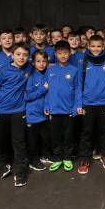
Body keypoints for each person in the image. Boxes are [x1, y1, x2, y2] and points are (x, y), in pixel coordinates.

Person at [0, 43, 33, 187]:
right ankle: (3, 166)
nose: (22, 57)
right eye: (18, 54)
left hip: (19, 111)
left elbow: (44, 65)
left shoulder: (28, 68)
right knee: (0, 142)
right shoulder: (3, 70)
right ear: (12, 55)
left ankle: (20, 173)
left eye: (25, 55)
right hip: (1, 111)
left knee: (19, 142)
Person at [77, 35, 105, 174]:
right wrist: (79, 103)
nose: (96, 49)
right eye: (93, 46)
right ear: (88, 46)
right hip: (87, 103)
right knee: (86, 132)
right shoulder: (83, 61)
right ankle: (84, 159)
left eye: (99, 46)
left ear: (103, 46)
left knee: (104, 130)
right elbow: (78, 85)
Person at [44, 41, 80, 172]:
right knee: (55, 135)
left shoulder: (74, 70)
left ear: (69, 53)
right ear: (55, 54)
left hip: (69, 109)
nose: (63, 55)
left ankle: (67, 158)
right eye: (60, 53)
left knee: (68, 135)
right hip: (54, 109)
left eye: (65, 53)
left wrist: (76, 106)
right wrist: (47, 105)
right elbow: (47, 90)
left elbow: (77, 89)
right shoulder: (50, 70)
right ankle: (58, 158)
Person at [24, 50, 50, 172]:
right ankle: (33, 160)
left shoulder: (48, 75)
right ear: (33, 63)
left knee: (45, 137)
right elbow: (27, 97)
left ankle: (44, 155)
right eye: (38, 61)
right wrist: (42, 89)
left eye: (44, 61)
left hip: (44, 114)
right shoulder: (31, 77)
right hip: (32, 114)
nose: (41, 64)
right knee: (32, 140)